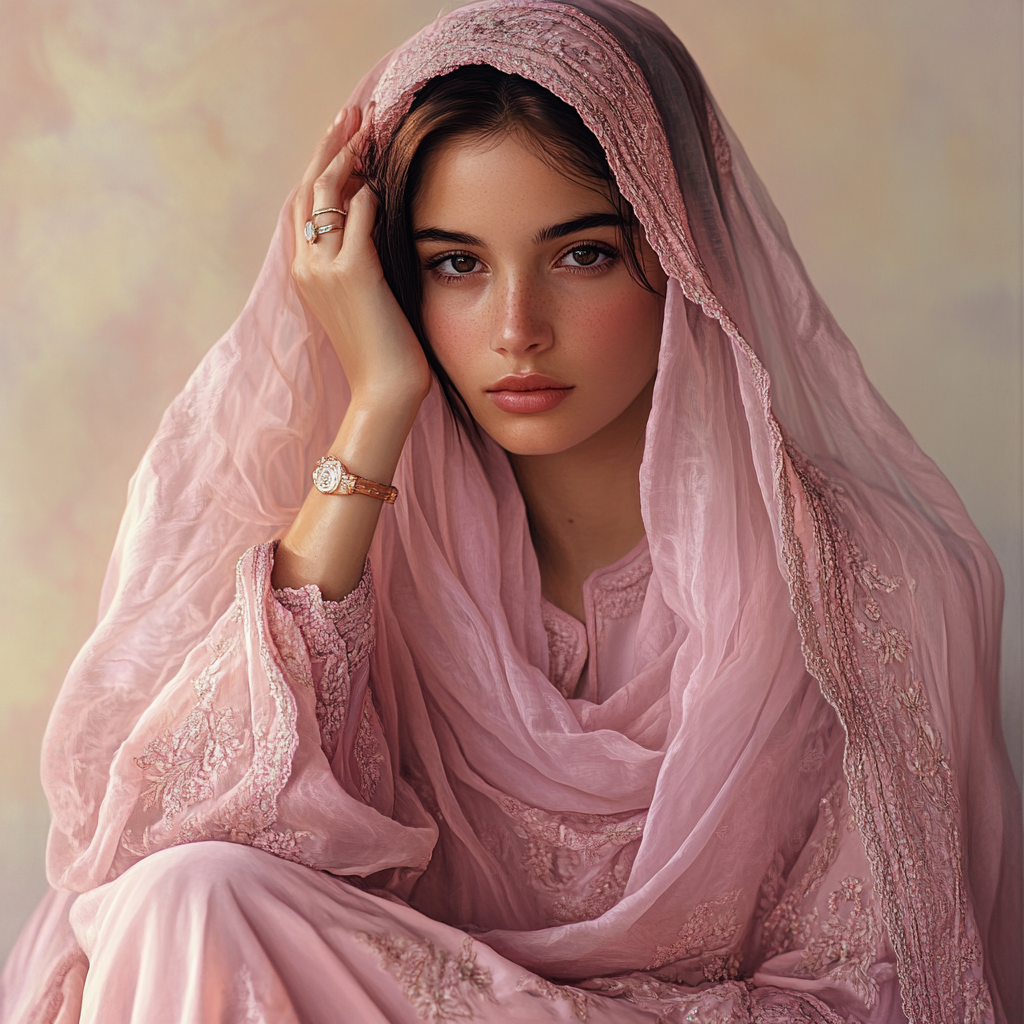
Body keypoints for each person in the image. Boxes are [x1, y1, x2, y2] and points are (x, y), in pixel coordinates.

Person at [1, 0, 1019, 1021]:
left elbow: (871, 995)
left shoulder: (864, 584)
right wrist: (377, 404)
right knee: (187, 892)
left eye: (582, 254)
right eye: (457, 265)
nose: (516, 329)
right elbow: (155, 846)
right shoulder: (384, 553)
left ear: (681, 254)